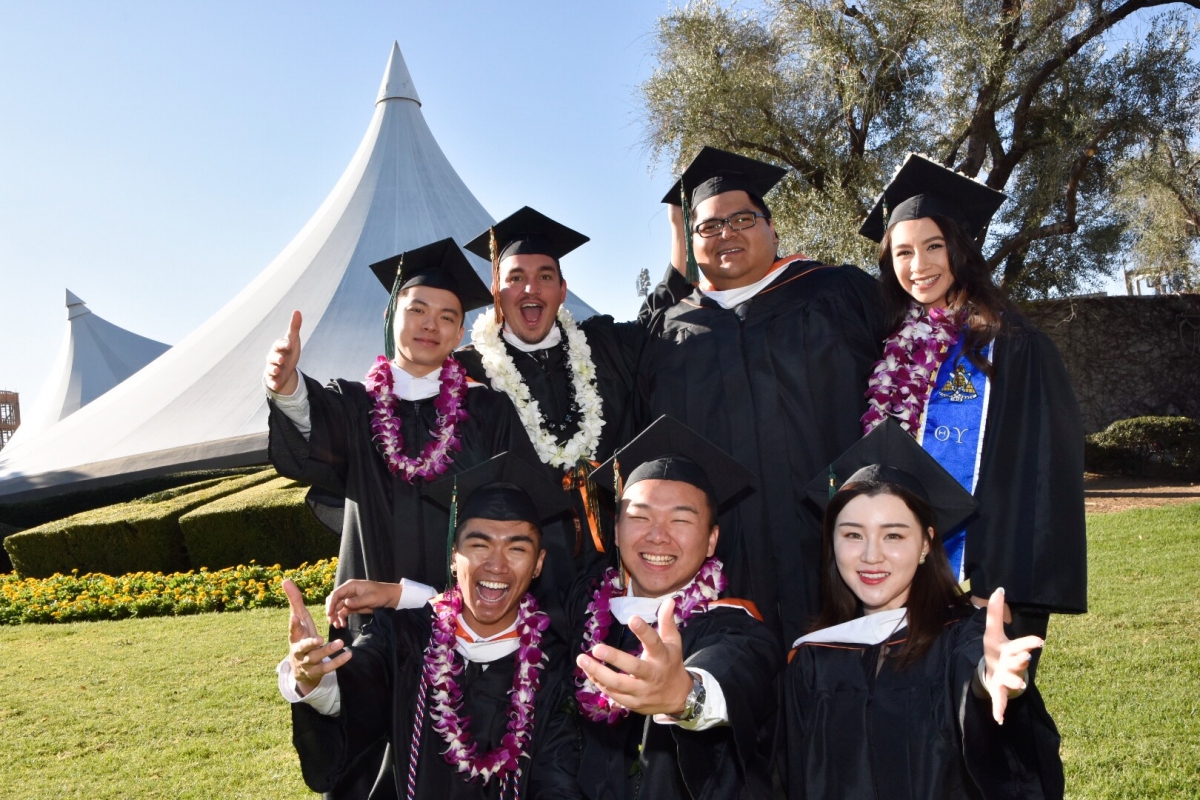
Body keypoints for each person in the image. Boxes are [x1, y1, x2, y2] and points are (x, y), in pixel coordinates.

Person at [636, 146, 885, 644]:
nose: (726, 233)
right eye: (708, 226)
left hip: (834, 534)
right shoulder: (671, 329)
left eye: (742, 219)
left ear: (773, 229)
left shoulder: (839, 293)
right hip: (726, 554)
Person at [857, 153, 1087, 658]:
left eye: (933, 246)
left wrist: (995, 585)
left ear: (961, 247)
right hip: (904, 577)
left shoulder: (1014, 347)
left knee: (984, 720)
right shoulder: (895, 349)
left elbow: (1041, 480)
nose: (918, 267)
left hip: (987, 585)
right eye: (903, 253)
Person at [785, 419, 1064, 799]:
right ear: (831, 542)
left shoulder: (961, 636)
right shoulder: (814, 657)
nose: (870, 555)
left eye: (894, 535)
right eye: (852, 534)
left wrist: (987, 681)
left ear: (925, 544)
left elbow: (977, 677)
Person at [278, 453, 572, 800]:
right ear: (453, 554)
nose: (496, 565)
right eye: (479, 545)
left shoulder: (554, 665)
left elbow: (558, 779)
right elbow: (359, 686)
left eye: (517, 549)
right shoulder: (405, 637)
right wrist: (314, 679)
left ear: (538, 564)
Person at [264, 237, 539, 599]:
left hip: (465, 615)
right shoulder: (355, 405)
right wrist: (287, 386)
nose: (430, 325)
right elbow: (312, 424)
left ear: (459, 335)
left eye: (446, 318)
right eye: (417, 310)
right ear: (390, 314)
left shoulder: (487, 410)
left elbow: (518, 503)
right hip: (369, 612)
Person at [533, 415, 783, 800]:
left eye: (680, 520)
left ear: (712, 539)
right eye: (640, 517)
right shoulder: (579, 606)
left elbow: (735, 672)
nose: (657, 536)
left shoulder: (735, 628)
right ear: (616, 532)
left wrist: (685, 695)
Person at [457, 207, 686, 587]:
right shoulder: (468, 373)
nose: (531, 288)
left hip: (611, 561)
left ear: (562, 291)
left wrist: (678, 229)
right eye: (516, 278)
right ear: (496, 291)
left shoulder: (604, 346)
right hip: (519, 575)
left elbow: (662, 315)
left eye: (545, 277)